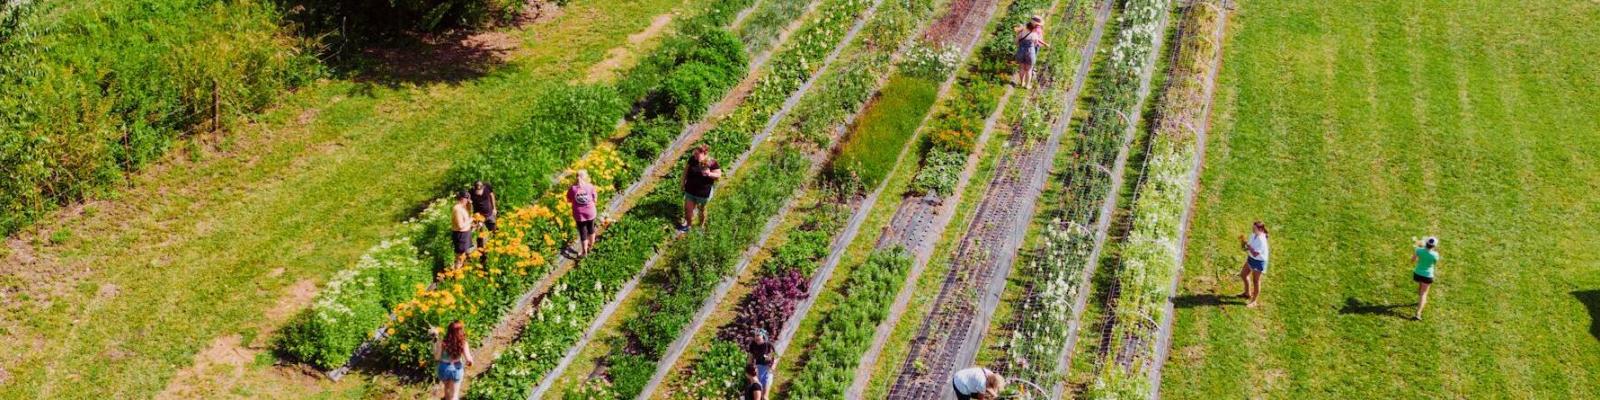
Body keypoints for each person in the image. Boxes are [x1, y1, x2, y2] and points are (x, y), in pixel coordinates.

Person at [680, 145, 722, 232]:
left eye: (697, 154)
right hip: (690, 190)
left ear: (704, 153)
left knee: (702, 210)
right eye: (694, 154)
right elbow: (685, 171)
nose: (695, 156)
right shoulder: (692, 159)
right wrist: (682, 183)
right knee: (688, 210)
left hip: (703, 193)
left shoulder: (712, 163)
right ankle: (688, 225)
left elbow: (718, 176)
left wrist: (709, 174)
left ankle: (701, 226)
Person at [435, 320, 475, 400]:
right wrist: (470, 362)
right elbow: (468, 359)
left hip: (444, 368)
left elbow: (437, 357)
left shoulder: (443, 342)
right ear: (461, 330)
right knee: (455, 395)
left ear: (449, 330)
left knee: (447, 389)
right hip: (457, 368)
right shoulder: (463, 342)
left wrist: (435, 345)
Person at [566, 170, 600, 257]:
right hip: (590, 212)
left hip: (579, 214)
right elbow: (595, 199)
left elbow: (569, 200)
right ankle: (590, 246)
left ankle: (584, 252)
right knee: (591, 229)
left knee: (583, 233)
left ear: (576, 177)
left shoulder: (573, 188)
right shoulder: (590, 186)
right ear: (586, 177)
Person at [1237, 221, 1269, 308]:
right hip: (1251, 258)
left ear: (1261, 229)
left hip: (1258, 262)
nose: (1252, 229)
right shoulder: (1253, 234)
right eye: (1253, 228)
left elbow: (1255, 253)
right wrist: (1244, 245)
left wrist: (1248, 246)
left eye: (1254, 228)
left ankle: (1254, 301)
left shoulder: (1262, 240)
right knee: (1243, 275)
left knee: (1256, 281)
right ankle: (1247, 293)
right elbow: (1249, 247)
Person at [1014, 16, 1049, 88]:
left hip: (1021, 50)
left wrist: (1020, 46)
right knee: (1029, 70)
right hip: (1030, 51)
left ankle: (1022, 83)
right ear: (1036, 25)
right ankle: (1027, 85)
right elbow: (1036, 43)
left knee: (1022, 68)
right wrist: (1045, 44)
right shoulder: (1034, 34)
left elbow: (1016, 41)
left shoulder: (1023, 30)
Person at [1412, 236, 1441, 320]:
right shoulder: (1435, 255)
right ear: (1434, 246)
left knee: (1421, 287)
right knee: (1424, 293)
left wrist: (1419, 249)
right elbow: (1435, 263)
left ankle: (1420, 301)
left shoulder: (1418, 250)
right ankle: (1418, 313)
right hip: (1427, 275)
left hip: (1417, 273)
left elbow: (1413, 260)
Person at [469, 181, 497, 264]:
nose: (479, 194)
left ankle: (496, 248)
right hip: (479, 216)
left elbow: (492, 195)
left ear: (483, 188)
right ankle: (481, 255)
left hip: (489, 213)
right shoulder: (471, 191)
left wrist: (494, 208)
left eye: (480, 192)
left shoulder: (487, 187)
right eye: (477, 193)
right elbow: (469, 203)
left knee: (494, 231)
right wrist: (471, 215)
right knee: (480, 236)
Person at [450, 192, 476, 269]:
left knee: (463, 255)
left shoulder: (463, 207)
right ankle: (456, 274)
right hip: (460, 235)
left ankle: (459, 270)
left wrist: (471, 225)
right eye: (467, 199)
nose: (469, 200)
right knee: (460, 256)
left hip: (465, 233)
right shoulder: (457, 209)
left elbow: (468, 216)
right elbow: (460, 225)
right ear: (462, 198)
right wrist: (471, 220)